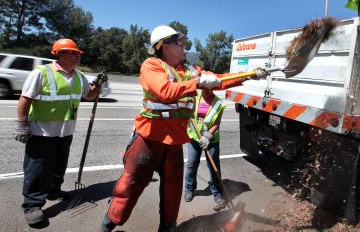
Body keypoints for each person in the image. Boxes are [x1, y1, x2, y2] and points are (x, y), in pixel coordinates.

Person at [99, 25, 268, 232]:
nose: (183, 46)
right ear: (164, 46)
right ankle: (109, 224)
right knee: (130, 186)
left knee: (173, 191)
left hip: (174, 142)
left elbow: (219, 80)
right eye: (178, 42)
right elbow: (165, 91)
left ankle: (168, 227)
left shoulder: (189, 70)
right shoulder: (152, 65)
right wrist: (197, 83)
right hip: (149, 140)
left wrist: (248, 75)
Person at [14, 38, 107, 226]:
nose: (77, 55)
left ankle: (53, 190)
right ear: (60, 54)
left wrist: (98, 85)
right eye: (73, 52)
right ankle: (32, 205)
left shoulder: (79, 76)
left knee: (59, 164)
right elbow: (25, 99)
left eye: (78, 53)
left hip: (65, 131)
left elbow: (89, 96)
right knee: (38, 168)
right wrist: (22, 124)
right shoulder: (42, 73)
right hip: (42, 131)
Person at [183, 88, 227, 211]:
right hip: (194, 137)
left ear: (213, 88)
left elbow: (217, 122)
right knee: (192, 164)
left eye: (209, 88)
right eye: (204, 88)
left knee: (214, 167)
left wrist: (207, 136)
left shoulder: (218, 103)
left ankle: (217, 193)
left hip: (211, 139)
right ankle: (189, 189)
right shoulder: (194, 98)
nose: (206, 90)